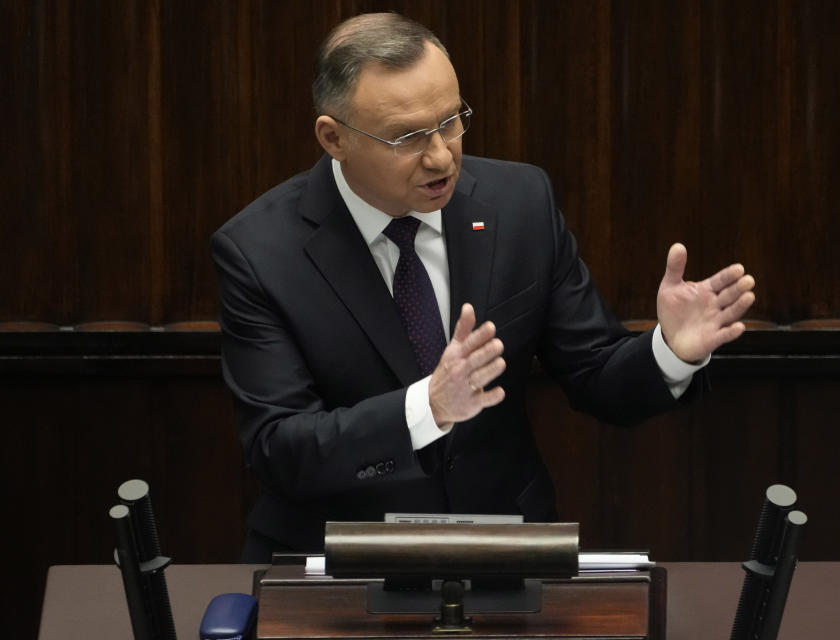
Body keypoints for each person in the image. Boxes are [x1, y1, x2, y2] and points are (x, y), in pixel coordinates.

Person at [211, 13, 756, 562]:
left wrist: (670, 352)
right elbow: (280, 449)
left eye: (451, 121)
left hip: (503, 550)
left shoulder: (519, 204)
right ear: (334, 138)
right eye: (407, 137)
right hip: (339, 560)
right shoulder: (259, 252)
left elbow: (594, 374)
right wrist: (428, 406)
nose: (442, 156)